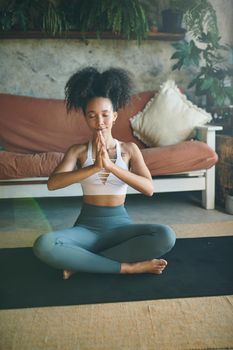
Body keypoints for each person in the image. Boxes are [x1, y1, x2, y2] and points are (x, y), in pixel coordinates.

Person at [33, 67, 176, 280]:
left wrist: (110, 166)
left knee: (165, 235)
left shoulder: (129, 150)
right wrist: (93, 168)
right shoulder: (78, 151)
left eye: (105, 115)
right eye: (92, 115)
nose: (99, 121)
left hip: (120, 228)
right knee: (44, 244)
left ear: (115, 116)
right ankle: (128, 267)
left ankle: (79, 263)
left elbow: (149, 188)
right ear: (85, 118)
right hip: (86, 229)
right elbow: (53, 184)